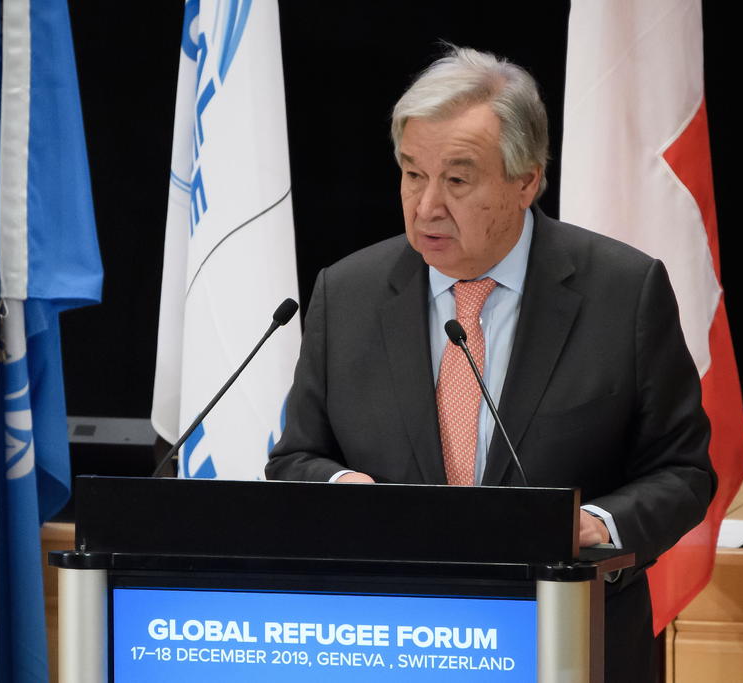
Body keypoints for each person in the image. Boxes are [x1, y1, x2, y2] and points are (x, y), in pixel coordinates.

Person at [265, 45, 715, 681]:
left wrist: (595, 525)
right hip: (390, 643)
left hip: (568, 640)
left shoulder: (622, 292)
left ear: (526, 181)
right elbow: (294, 459)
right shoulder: (348, 293)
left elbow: (683, 471)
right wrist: (343, 492)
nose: (426, 206)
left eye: (456, 180)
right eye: (412, 174)